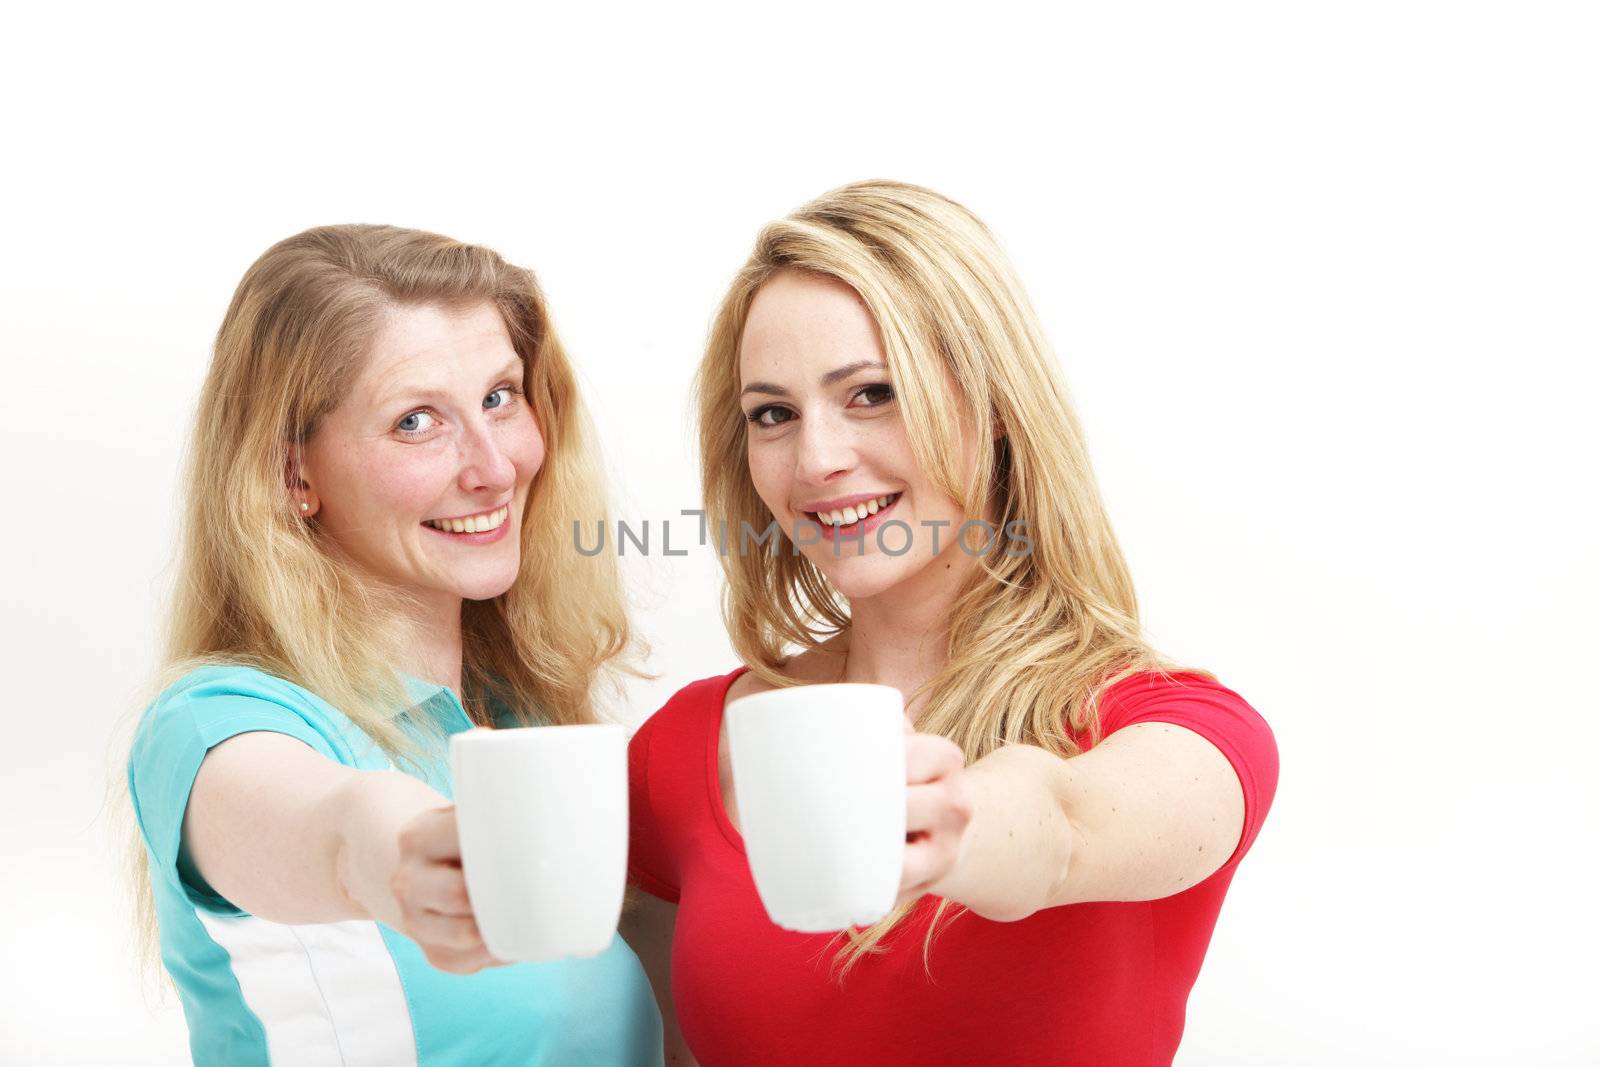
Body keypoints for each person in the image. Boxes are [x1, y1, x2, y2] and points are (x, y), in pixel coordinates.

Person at [622, 182, 1279, 1066]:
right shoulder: (686, 749)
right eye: (773, 413)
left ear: (996, 410)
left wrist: (955, 822)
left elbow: (1063, 828)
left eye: (872, 393)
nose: (817, 459)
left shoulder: (1182, 733)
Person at [126, 225, 662, 1065]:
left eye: (500, 397)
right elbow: (335, 825)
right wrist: (393, 846)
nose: (493, 465)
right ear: (292, 473)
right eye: (417, 421)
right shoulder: (213, 728)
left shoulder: (516, 720)